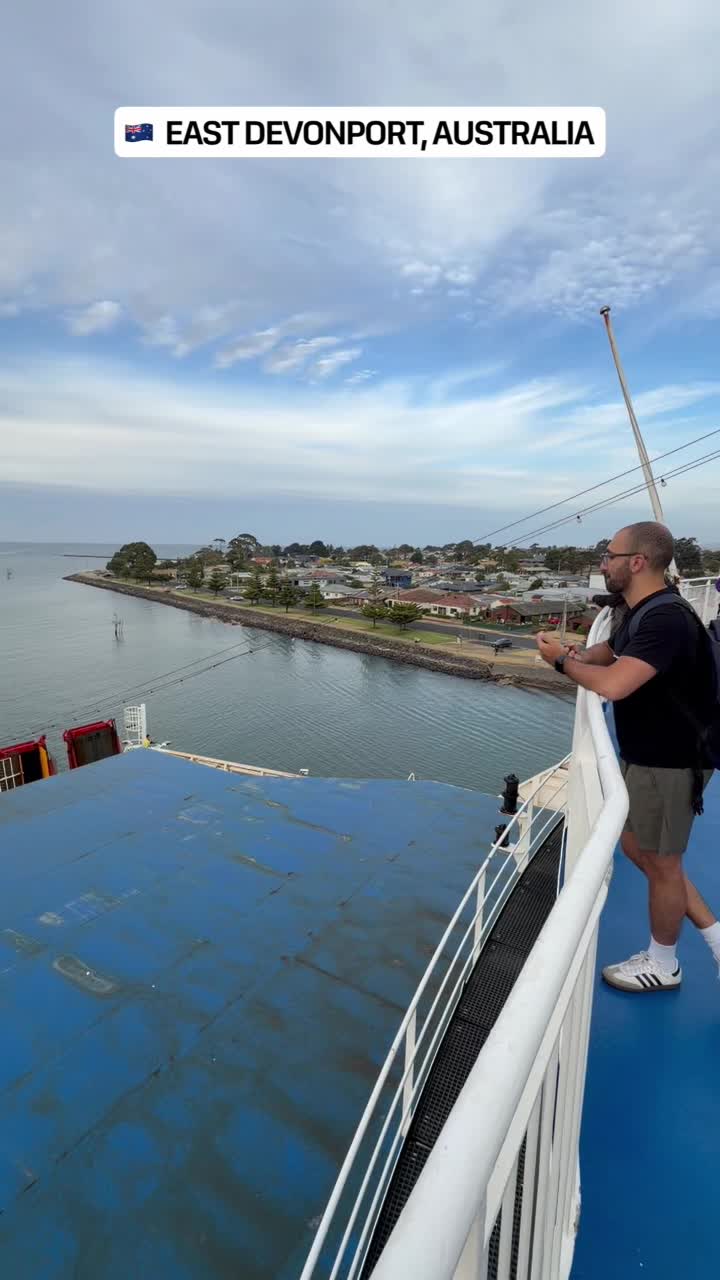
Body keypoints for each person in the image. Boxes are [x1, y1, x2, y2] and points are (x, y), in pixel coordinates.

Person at [536, 521, 719, 992]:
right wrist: (579, 653)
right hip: (647, 753)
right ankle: (715, 933)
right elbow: (610, 651)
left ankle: (664, 964)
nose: (604, 563)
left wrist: (559, 661)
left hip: (672, 761)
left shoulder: (666, 617)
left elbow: (615, 684)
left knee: (662, 864)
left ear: (636, 562)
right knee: (640, 849)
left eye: (610, 555)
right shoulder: (642, 610)